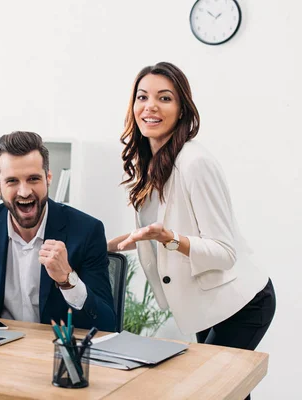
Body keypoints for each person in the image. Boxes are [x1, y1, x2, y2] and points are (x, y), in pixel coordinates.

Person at [108, 62, 275, 395]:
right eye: (142, 97)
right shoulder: (148, 163)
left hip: (242, 304)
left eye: (164, 98)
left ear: (182, 109)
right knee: (230, 393)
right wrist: (100, 245)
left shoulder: (195, 163)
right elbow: (148, 235)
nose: (150, 106)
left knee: (215, 391)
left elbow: (224, 252)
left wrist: (168, 239)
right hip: (206, 306)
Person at [0, 131, 115, 331]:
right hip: (1, 348)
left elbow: (107, 323)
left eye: (33, 179)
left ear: (48, 178)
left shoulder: (87, 230)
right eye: (12, 181)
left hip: (56, 350)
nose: (24, 192)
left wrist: (67, 279)